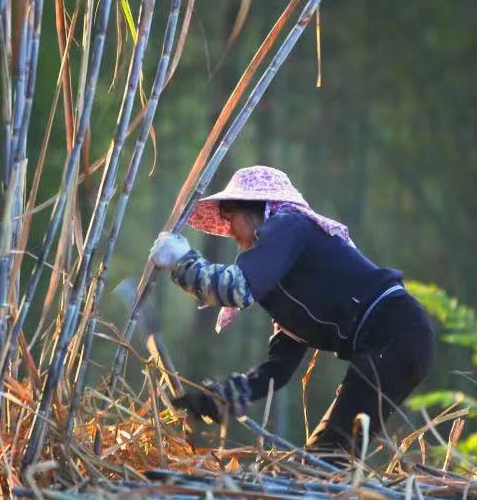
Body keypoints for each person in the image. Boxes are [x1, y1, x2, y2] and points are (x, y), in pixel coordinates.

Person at [148, 165, 435, 455]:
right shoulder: (287, 282)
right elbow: (278, 369)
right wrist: (220, 398)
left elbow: (233, 289)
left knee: (328, 455)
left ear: (256, 209)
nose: (229, 230)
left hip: (395, 333)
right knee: (329, 454)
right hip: (397, 341)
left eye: (229, 216)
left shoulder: (288, 225)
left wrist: (181, 260)